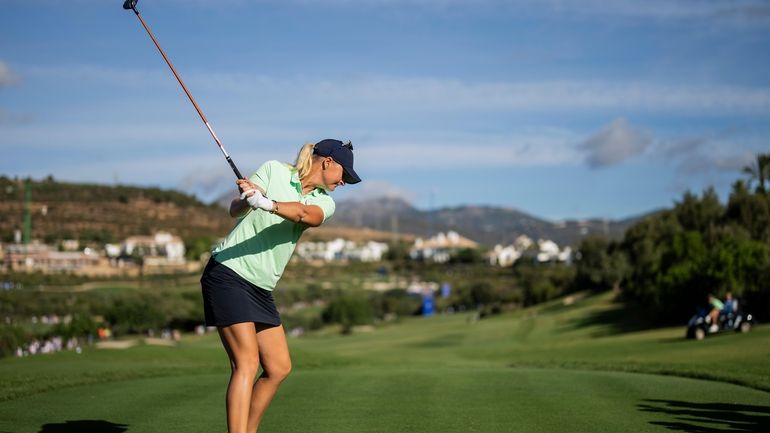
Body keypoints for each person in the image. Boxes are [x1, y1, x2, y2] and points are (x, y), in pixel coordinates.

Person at [201, 139, 361, 433]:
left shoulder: (325, 201)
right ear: (327, 162)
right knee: (247, 363)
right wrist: (248, 197)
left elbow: (304, 215)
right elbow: (235, 210)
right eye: (343, 174)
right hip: (229, 272)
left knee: (278, 368)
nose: (344, 182)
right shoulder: (274, 170)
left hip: (260, 287)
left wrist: (268, 204)